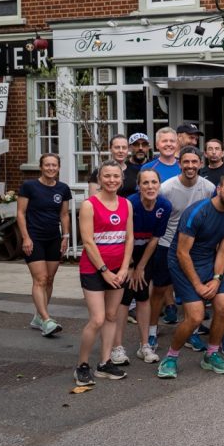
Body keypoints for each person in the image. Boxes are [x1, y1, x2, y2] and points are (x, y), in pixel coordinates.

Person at [157, 176, 224, 379]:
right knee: (195, 316)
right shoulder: (197, 212)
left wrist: (217, 278)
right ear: (219, 189)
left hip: (208, 262)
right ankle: (170, 358)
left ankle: (211, 355)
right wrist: (197, 285)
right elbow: (182, 253)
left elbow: (223, 251)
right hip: (182, 263)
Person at [148, 147, 216, 348]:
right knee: (159, 289)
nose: (190, 166)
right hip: (167, 243)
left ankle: (192, 332)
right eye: (186, 162)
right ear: (179, 164)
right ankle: (151, 330)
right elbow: (157, 217)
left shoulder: (209, 188)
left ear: (201, 164)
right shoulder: (167, 188)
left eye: (194, 162)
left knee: (194, 291)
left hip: (195, 248)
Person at [74, 161, 134, 386]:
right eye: (107, 176)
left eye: (116, 176)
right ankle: (82, 365)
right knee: (97, 319)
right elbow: (88, 242)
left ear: (122, 179)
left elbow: (129, 238)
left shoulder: (126, 204)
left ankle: (105, 362)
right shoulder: (89, 205)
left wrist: (125, 268)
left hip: (118, 270)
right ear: (99, 179)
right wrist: (105, 271)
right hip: (94, 269)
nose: (111, 180)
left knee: (111, 316)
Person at [18, 153, 72, 337]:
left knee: (49, 279)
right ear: (41, 167)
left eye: (54, 165)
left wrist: (65, 236)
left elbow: (64, 214)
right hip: (34, 238)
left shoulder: (63, 188)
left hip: (53, 239)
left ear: (58, 167)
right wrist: (26, 238)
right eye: (47, 165)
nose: (51, 168)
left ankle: (39, 317)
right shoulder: (29, 186)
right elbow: (20, 213)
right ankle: (47, 320)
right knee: (40, 279)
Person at [126, 169, 171, 365]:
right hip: (125, 254)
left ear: (159, 185)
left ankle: (144, 345)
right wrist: (130, 266)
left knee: (143, 296)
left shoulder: (164, 206)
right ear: (139, 186)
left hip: (146, 253)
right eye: (145, 183)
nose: (150, 186)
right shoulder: (130, 204)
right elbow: (124, 238)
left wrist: (140, 267)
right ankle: (115, 347)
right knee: (123, 301)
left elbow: (154, 239)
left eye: (154, 182)